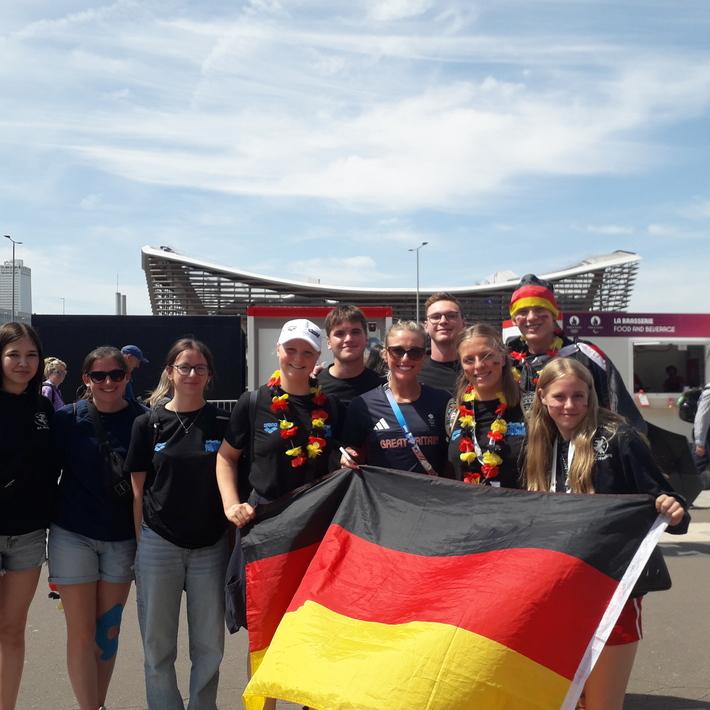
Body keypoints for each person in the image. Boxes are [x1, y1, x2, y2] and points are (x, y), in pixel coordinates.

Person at [524, 357, 688, 710]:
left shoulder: (618, 438)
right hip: (560, 586)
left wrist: (673, 509)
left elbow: (662, 496)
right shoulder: (538, 442)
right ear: (542, 397)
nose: (570, 406)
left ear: (591, 396)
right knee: (567, 699)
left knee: (602, 703)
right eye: (560, 397)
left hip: (614, 587)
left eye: (579, 396)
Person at [217, 319, 340, 710]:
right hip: (265, 529)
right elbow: (226, 457)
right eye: (291, 349)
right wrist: (231, 504)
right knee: (263, 631)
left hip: (315, 533)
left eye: (307, 352)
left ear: (318, 357)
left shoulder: (331, 407)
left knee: (315, 630)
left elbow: (343, 462)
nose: (298, 358)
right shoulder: (253, 402)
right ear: (278, 351)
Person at [126, 339, 230, 710]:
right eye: (184, 367)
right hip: (159, 544)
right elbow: (137, 491)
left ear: (209, 375)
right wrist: (141, 546)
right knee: (158, 645)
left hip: (210, 546)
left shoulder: (223, 422)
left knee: (209, 645)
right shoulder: (147, 423)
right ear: (170, 372)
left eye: (200, 367)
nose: (191, 374)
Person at [49, 346, 145, 710]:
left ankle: (97, 703)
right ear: (86, 379)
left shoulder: (143, 419)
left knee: (109, 629)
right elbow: (42, 472)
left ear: (127, 377)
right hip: (72, 534)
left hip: (121, 538)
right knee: (81, 631)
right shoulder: (67, 419)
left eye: (116, 375)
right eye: (99, 376)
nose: (108, 382)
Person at [0, 322, 57, 710]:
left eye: (31, 355)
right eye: (13, 354)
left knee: (12, 629)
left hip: (29, 533)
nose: (23, 362)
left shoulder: (43, 408)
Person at [506, 274, 646, 430]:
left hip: (581, 443)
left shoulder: (586, 355)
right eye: (523, 311)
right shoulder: (506, 361)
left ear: (554, 314)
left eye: (540, 309)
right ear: (514, 319)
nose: (531, 317)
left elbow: (622, 412)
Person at [340, 321, 452, 477]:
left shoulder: (442, 401)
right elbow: (355, 452)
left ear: (424, 357)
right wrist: (349, 457)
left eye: (414, 352)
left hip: (432, 492)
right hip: (382, 492)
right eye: (397, 351)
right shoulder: (362, 405)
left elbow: (452, 459)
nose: (405, 359)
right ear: (385, 354)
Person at [448, 324, 525, 487]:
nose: (478, 365)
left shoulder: (529, 406)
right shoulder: (453, 410)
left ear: (502, 358)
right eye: (469, 360)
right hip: (467, 503)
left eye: (486, 356)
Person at [316, 305, 383, 407]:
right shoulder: (314, 387)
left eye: (355, 332)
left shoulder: (383, 388)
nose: (348, 339)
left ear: (366, 338)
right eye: (340, 333)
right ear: (328, 342)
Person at [418, 292, 466, 394]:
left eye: (451, 316)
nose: (443, 321)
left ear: (463, 323)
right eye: (435, 317)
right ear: (426, 326)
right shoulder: (414, 370)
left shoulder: (478, 368)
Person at [693, 382, 710, 473]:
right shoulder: (709, 394)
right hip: (706, 436)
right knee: (698, 465)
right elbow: (702, 418)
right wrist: (700, 443)